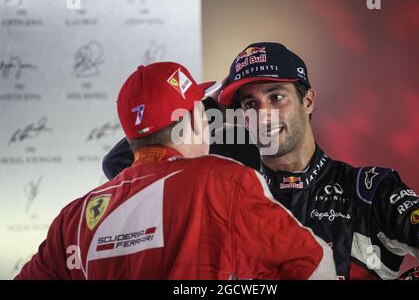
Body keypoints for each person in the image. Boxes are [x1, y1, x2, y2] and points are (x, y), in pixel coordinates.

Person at [103, 44, 419, 280]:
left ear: (308, 101)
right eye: (250, 104)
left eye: (276, 96)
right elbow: (122, 164)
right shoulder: (224, 190)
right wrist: (203, 103)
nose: (263, 114)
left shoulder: (368, 189)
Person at [15, 62, 336, 280]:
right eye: (203, 112)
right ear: (196, 121)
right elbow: (316, 266)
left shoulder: (72, 219)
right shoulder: (223, 181)